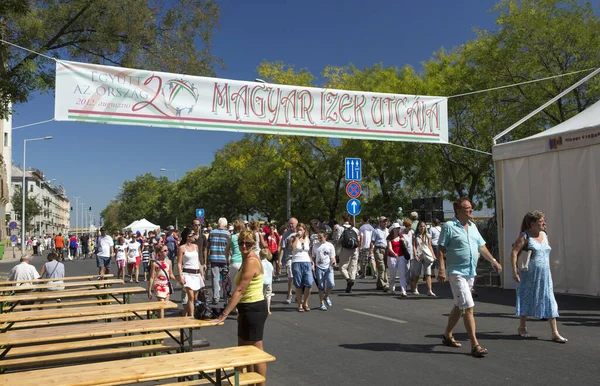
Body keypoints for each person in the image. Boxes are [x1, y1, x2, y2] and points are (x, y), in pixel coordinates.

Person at [438, 197, 502, 357]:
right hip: (456, 272)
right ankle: (475, 345)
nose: (471, 211)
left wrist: (493, 261)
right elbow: (440, 248)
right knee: (468, 307)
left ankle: (447, 335)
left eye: (471, 208)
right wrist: (441, 268)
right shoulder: (449, 226)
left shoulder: (473, 227)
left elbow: (481, 246)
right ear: (458, 211)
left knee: (459, 306)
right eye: (468, 208)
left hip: (470, 272)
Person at [213, 230, 268, 384]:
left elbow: (240, 290)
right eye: (241, 243)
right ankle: (250, 382)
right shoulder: (245, 259)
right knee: (244, 350)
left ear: (254, 244)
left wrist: (224, 314)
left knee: (256, 351)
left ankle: (261, 384)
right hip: (246, 308)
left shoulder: (251, 261)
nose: (244, 245)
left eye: (248, 243)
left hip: (254, 308)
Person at [511, 211, 567, 343]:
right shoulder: (525, 236)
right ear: (532, 224)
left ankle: (555, 332)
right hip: (529, 274)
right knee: (526, 297)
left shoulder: (544, 234)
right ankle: (522, 327)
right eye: (541, 221)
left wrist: (548, 270)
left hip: (545, 274)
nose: (544, 223)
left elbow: (545, 253)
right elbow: (514, 252)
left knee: (549, 299)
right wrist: (514, 271)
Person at [177, 228, 205, 317]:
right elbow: (179, 263)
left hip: (196, 274)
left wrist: (202, 273)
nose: (194, 236)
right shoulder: (182, 248)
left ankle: (184, 312)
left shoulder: (195, 247)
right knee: (191, 297)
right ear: (187, 237)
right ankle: (192, 316)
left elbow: (198, 261)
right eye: (192, 235)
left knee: (195, 298)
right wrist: (180, 276)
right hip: (187, 274)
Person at [148, 244, 176, 318]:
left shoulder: (169, 262)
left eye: (167, 250)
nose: (167, 252)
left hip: (166, 285)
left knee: (165, 306)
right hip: (158, 285)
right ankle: (162, 324)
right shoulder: (154, 263)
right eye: (165, 250)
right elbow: (151, 277)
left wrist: (179, 279)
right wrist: (149, 290)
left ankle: (156, 314)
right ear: (160, 252)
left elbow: (171, 274)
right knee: (162, 305)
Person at [290, 223, 313, 312]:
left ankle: (305, 302)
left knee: (309, 283)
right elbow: (294, 248)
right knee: (298, 285)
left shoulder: (307, 239)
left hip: (306, 262)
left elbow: (309, 252)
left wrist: (312, 262)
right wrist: (297, 238)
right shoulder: (293, 238)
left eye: (301, 229)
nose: (299, 231)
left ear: (304, 230)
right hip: (296, 262)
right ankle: (300, 304)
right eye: (298, 229)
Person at [207, 217, 230, 304]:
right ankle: (226, 297)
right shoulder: (227, 234)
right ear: (225, 225)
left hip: (214, 257)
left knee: (215, 278)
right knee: (225, 278)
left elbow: (208, 246)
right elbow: (228, 248)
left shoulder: (212, 233)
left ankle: (216, 297)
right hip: (224, 258)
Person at [335, 213, 360, 293]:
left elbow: (338, 240)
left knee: (342, 267)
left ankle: (348, 280)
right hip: (355, 249)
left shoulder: (340, 228)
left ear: (343, 219)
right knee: (353, 266)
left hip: (345, 249)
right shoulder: (355, 229)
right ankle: (352, 279)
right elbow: (358, 239)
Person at [411, 220, 437, 297]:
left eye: (423, 226)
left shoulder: (428, 235)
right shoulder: (415, 235)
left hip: (426, 255)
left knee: (428, 274)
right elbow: (414, 246)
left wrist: (433, 255)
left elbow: (429, 246)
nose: (422, 228)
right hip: (418, 255)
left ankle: (429, 290)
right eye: (420, 226)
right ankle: (415, 287)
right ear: (418, 227)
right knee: (417, 273)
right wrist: (415, 255)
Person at [312, 230, 336, 310]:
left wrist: (333, 262)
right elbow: (313, 257)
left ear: (325, 237)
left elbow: (332, 257)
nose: (319, 239)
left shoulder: (330, 245)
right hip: (319, 267)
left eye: (321, 237)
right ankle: (321, 303)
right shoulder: (315, 245)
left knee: (331, 284)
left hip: (328, 267)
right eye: (318, 237)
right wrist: (313, 264)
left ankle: (326, 297)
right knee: (321, 287)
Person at [279, 217, 298, 304]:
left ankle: (298, 294)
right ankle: (289, 293)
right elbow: (282, 249)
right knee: (291, 276)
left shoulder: (300, 233)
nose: (291, 225)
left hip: (299, 257)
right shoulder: (286, 235)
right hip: (290, 257)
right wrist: (279, 260)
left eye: (292, 224)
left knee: (299, 277)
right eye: (289, 224)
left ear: (296, 224)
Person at [386, 223, 408, 296]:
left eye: (398, 228)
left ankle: (403, 290)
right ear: (393, 229)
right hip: (392, 257)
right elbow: (389, 248)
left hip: (401, 256)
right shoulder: (389, 237)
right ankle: (392, 288)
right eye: (396, 228)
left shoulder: (401, 236)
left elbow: (404, 245)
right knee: (393, 274)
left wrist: (402, 241)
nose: (397, 230)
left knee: (402, 274)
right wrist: (394, 254)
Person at [371, 217, 389, 291]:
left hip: (386, 250)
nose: (385, 223)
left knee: (384, 267)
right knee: (381, 267)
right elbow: (372, 242)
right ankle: (385, 284)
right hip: (378, 249)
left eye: (386, 222)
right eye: (383, 222)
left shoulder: (388, 230)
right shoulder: (376, 231)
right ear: (380, 222)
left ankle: (379, 284)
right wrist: (370, 251)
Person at [260, 248, 274, 315]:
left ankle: (261, 309)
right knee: (268, 295)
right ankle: (268, 309)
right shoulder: (270, 264)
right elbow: (272, 273)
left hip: (261, 281)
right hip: (269, 282)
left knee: (261, 295)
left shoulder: (260, 263)